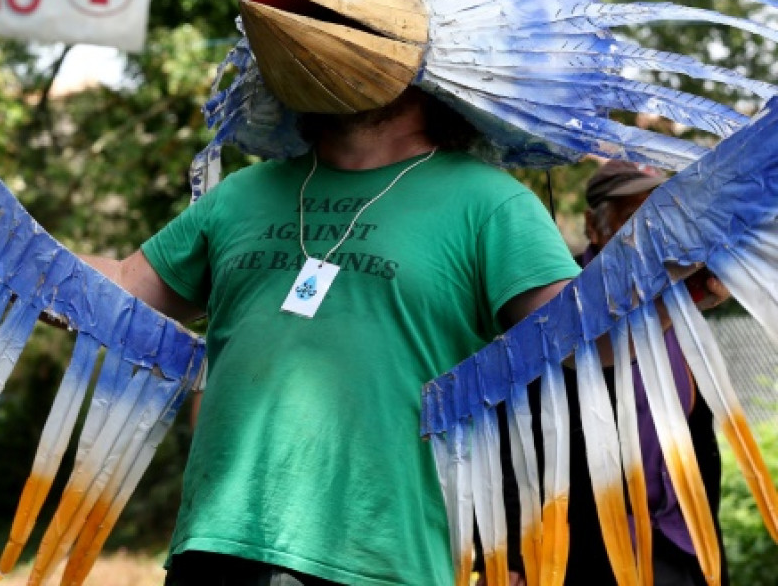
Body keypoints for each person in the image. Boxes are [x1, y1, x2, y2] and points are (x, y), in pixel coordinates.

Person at [84, 87, 582, 586]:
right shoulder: (242, 192)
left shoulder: (493, 203)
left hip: (380, 559)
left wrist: (658, 259)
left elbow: (588, 341)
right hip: (218, 544)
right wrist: (9, 249)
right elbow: (127, 286)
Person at [562, 160, 729, 586]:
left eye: (664, 217)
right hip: (591, 553)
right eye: (638, 217)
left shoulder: (679, 302)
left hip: (679, 547)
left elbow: (699, 436)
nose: (654, 233)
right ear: (594, 226)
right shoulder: (557, 309)